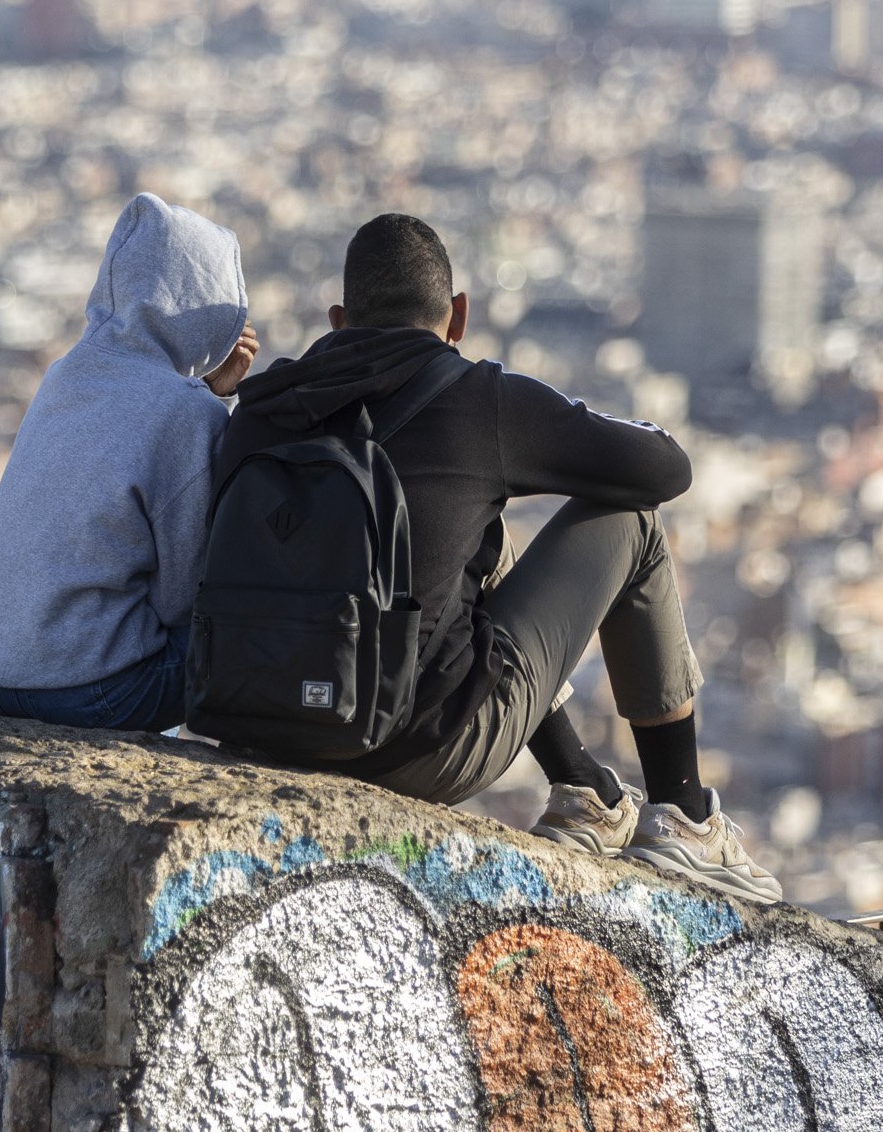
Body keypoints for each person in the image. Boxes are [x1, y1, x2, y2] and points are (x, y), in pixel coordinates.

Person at [217, 213, 783, 904]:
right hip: (416, 746)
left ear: (338, 320)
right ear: (457, 316)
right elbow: (664, 470)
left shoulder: (262, 408)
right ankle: (683, 817)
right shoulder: (475, 400)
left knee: (470, 540)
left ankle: (585, 788)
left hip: (264, 728)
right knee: (630, 523)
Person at [0, 193, 259, 731]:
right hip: (91, 691)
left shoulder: (64, 375)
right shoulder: (186, 411)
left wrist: (204, 391)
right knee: (250, 626)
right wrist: (214, 401)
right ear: (211, 308)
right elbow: (181, 598)